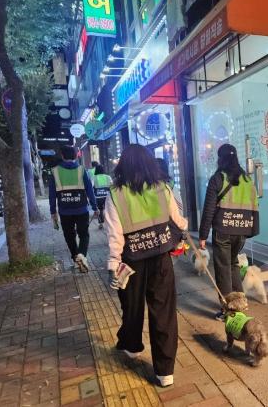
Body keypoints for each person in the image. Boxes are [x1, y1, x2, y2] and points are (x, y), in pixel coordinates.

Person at [104, 144, 187, 388]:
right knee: (164, 313)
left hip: (131, 262)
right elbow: (178, 221)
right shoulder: (162, 188)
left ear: (123, 166)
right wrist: (183, 232)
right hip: (161, 259)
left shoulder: (115, 194)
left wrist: (113, 263)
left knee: (132, 307)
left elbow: (114, 234)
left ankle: (132, 347)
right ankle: (165, 372)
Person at [199, 144, 259, 320]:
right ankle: (240, 304)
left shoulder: (218, 178)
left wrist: (203, 235)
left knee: (223, 269)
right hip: (241, 230)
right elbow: (255, 206)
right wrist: (251, 230)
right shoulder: (247, 179)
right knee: (233, 264)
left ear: (220, 158)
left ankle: (228, 311)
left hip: (223, 231)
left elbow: (209, 209)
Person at [49, 146, 99, 272]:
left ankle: (76, 258)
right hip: (81, 210)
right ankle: (82, 256)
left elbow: (52, 194)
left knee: (69, 236)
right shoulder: (82, 170)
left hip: (64, 211)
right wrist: (95, 207)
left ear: (62, 156)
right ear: (76, 155)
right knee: (84, 234)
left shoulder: (55, 172)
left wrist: (53, 211)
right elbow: (90, 190)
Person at [93, 164, 112, 229]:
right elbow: (112, 185)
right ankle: (109, 223)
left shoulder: (94, 178)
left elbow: (92, 186)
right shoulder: (108, 177)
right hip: (107, 196)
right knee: (108, 210)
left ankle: (101, 223)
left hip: (98, 197)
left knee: (100, 209)